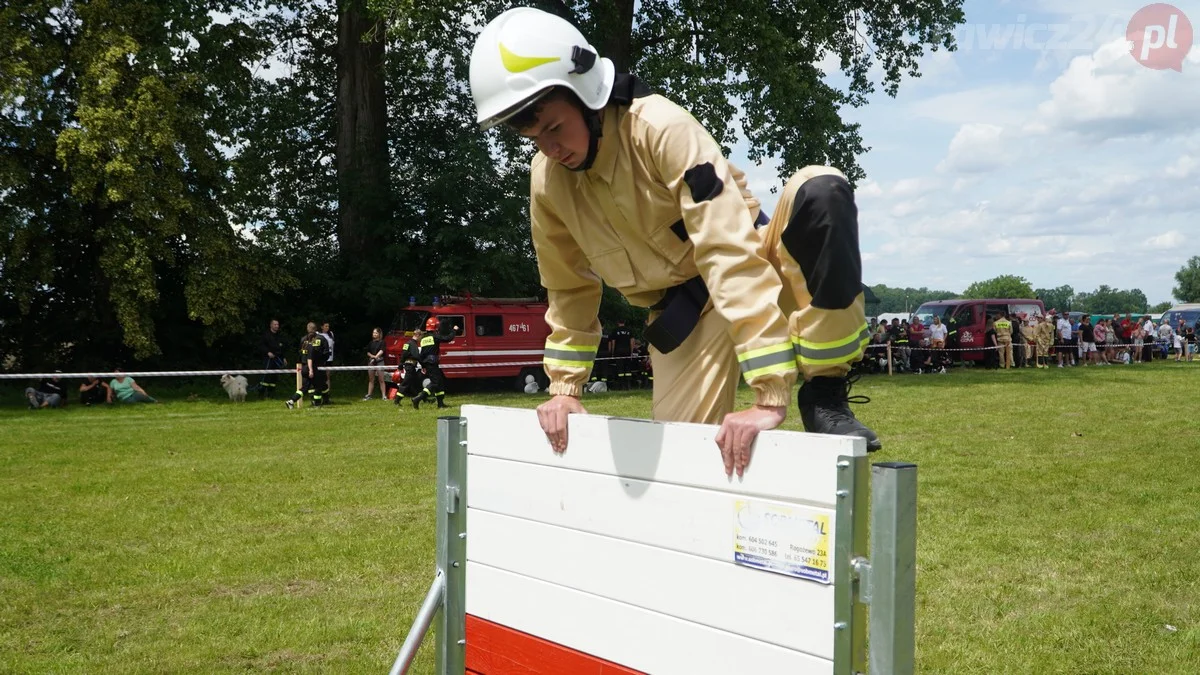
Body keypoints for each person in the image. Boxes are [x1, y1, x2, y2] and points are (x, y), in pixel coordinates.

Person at [469, 8, 880, 476]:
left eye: (555, 128)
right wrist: (565, 390)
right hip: (684, 314)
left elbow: (727, 250)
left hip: (758, 261)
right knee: (683, 475)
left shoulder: (662, 128)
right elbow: (567, 288)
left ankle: (824, 395)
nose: (549, 149)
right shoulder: (547, 183)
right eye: (532, 137)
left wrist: (769, 392)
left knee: (821, 191)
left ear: (587, 97)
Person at [413, 317, 458, 409]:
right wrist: (454, 330)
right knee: (435, 383)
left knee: (440, 382)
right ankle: (418, 398)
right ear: (436, 327)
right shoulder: (435, 337)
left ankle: (440, 404)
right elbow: (448, 338)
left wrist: (423, 365)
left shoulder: (423, 339)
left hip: (427, 363)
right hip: (432, 363)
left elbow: (422, 354)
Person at [257, 319, 287, 398]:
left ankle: (271, 395)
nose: (277, 326)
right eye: (275, 324)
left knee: (274, 377)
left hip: (277, 359)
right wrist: (268, 352)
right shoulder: (266, 335)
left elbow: (281, 348)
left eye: (277, 324)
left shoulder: (279, 336)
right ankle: (261, 394)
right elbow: (261, 346)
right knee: (266, 377)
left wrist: (283, 358)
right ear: (271, 325)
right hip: (268, 359)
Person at [364, 327, 387, 400]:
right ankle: (369, 395)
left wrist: (376, 357)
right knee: (371, 380)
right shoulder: (371, 343)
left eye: (376, 333)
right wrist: (373, 357)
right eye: (373, 332)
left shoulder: (382, 342)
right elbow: (368, 352)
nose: (374, 334)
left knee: (381, 379)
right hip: (371, 362)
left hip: (380, 362)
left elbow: (382, 351)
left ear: (379, 334)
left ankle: (383, 396)